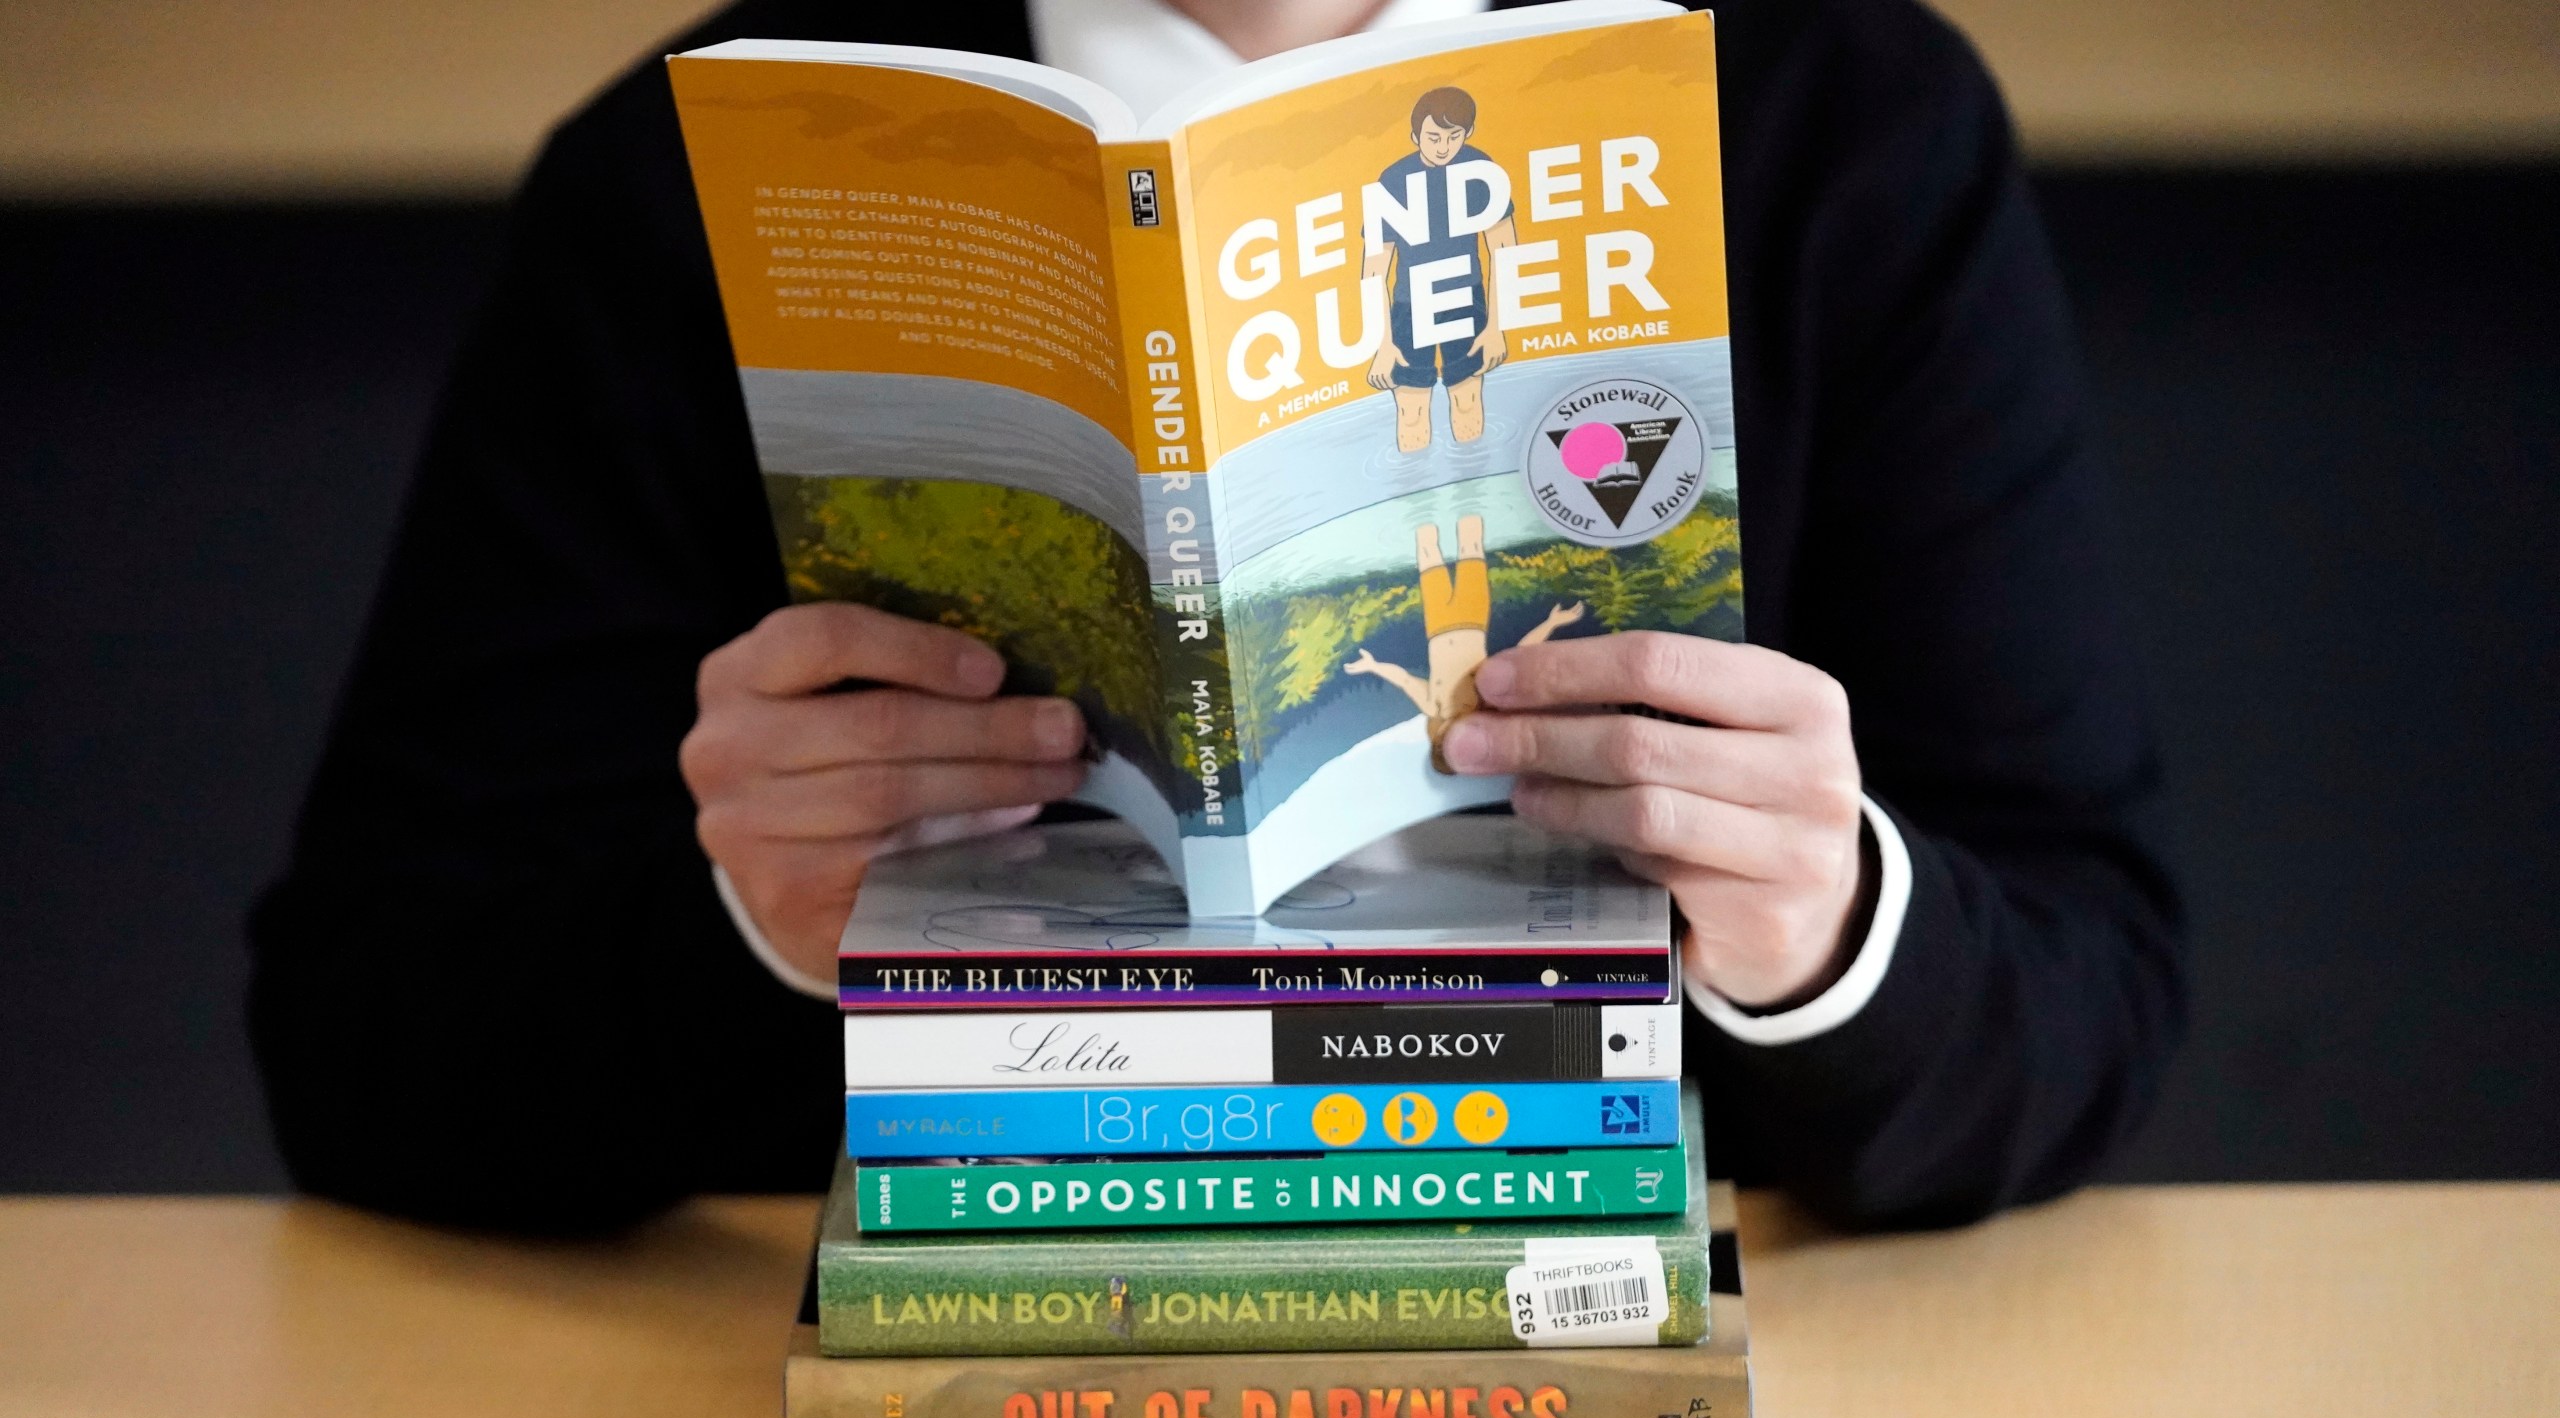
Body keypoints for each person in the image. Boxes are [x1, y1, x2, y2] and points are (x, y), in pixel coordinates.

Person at [248, 0, 2186, 1235]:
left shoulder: (1837, 123)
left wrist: (1823, 919)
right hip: (955, 1311)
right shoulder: (692, 171)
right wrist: (753, 927)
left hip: (1589, 1297)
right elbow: (361, 1049)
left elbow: (2091, 991)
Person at [1344, 515, 1584, 770]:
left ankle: (1418, 504)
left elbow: (1403, 679)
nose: (1451, 734)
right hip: (1472, 618)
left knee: (1427, 548)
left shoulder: (1432, 705)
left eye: (1443, 742)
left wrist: (1373, 666)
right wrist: (1551, 623)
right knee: (1470, 542)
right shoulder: (1484, 701)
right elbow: (1520, 652)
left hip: (1438, 625)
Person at [1361, 85, 1517, 453]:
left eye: (1453, 136)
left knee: (1467, 403)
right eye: (1433, 137)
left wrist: (1496, 327)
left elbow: (1504, 249)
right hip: (1410, 308)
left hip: (1466, 300)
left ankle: (1474, 506)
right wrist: (1383, 344)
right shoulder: (1394, 180)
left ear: (1468, 133)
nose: (1444, 146)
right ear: (1415, 135)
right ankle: (1419, 510)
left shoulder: (1481, 171)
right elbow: (1374, 268)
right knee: (1411, 412)